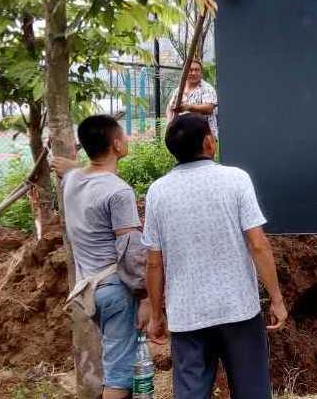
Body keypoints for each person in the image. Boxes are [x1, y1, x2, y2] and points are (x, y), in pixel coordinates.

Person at [143, 113, 288, 398]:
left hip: (187, 315)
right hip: (238, 310)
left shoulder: (157, 192)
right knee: (252, 392)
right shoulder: (236, 180)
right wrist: (277, 299)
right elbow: (258, 245)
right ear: (209, 142)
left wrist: (156, 315)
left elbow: (154, 262)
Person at [54, 114, 150, 399]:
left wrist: (71, 166)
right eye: (123, 136)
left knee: (119, 364)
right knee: (120, 377)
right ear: (117, 145)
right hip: (117, 289)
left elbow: (75, 172)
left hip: (90, 289)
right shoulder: (119, 191)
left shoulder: (71, 182)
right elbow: (130, 249)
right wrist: (146, 297)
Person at [166, 59, 219, 137]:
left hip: (204, 137)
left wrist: (189, 107)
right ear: (184, 72)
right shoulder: (179, 90)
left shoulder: (207, 89)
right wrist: (170, 122)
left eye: (196, 70)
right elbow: (170, 107)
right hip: (183, 136)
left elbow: (209, 108)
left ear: (201, 73)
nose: (193, 73)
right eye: (190, 70)